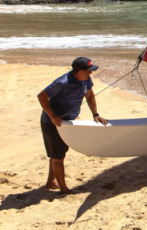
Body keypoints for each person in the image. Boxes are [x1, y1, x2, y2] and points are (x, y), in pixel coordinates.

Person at [38, 57, 108, 194]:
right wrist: (52, 116)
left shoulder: (85, 79)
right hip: (52, 123)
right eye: (89, 71)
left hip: (68, 122)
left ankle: (51, 182)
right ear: (81, 71)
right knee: (58, 155)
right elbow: (41, 96)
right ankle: (64, 190)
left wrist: (95, 114)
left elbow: (90, 94)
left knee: (59, 151)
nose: (91, 73)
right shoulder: (62, 82)